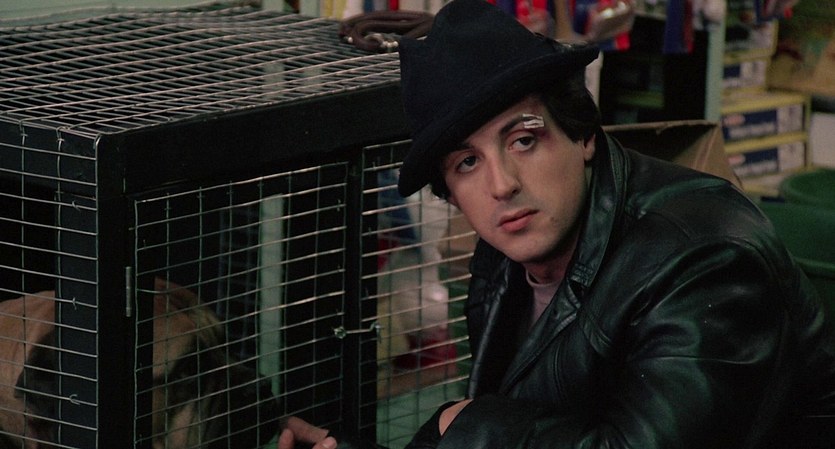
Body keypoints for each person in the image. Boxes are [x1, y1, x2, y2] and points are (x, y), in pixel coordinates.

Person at [279, 0, 835, 447]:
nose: (501, 184)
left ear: (583, 134)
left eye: (524, 140)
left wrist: (467, 424)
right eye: (467, 162)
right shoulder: (510, 248)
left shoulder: (704, 257)